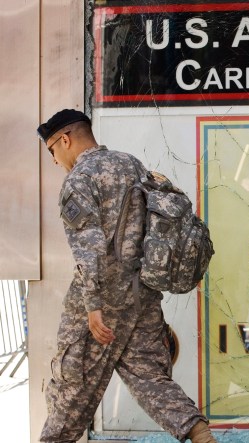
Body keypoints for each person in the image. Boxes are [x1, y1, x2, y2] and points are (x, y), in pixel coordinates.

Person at [37, 109, 217, 443]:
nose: (54, 159)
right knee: (151, 377)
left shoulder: (79, 179)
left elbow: (88, 248)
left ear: (65, 140)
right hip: (143, 296)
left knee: (70, 389)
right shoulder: (132, 164)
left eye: (52, 150)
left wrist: (92, 306)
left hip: (101, 303)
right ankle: (200, 433)